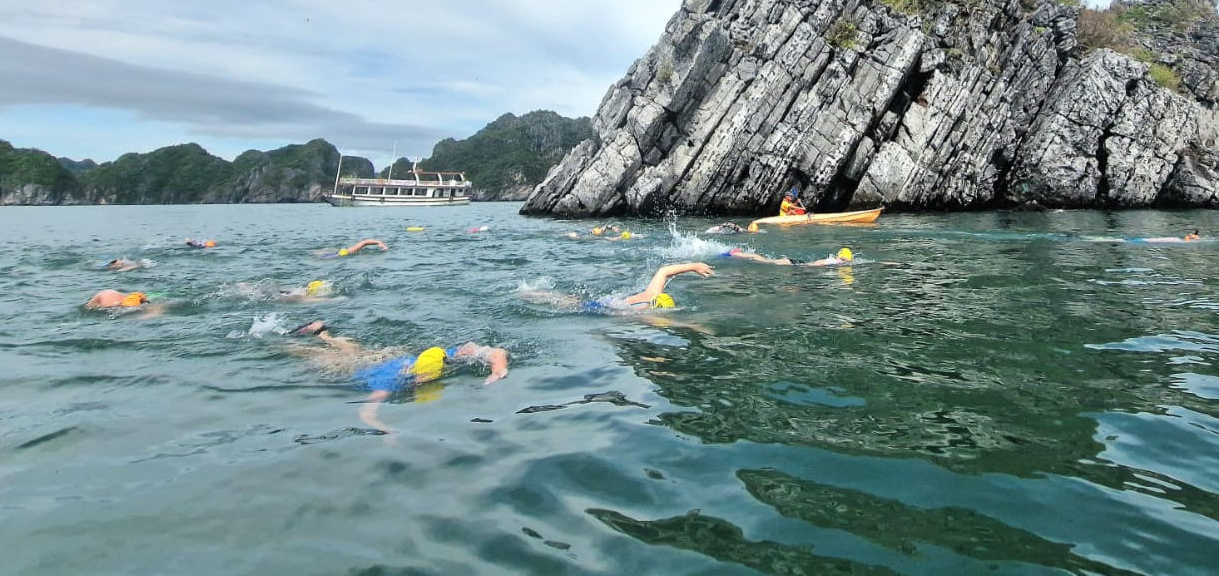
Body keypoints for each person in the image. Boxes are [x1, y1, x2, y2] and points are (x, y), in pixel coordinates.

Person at [291, 321, 508, 432]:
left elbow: (493, 351)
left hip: (386, 360)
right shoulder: (388, 383)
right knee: (319, 356)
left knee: (352, 350)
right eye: (421, 377)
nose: (421, 380)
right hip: (357, 369)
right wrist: (387, 430)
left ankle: (323, 333)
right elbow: (366, 413)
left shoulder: (447, 356)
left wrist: (498, 367)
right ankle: (298, 340)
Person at [520, 262, 714, 312]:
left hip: (608, 302)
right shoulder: (641, 312)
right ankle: (527, 293)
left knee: (568, 299)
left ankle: (530, 292)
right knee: (566, 303)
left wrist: (694, 266)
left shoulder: (652, 294)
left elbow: (664, 271)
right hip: (600, 307)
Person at [720, 247, 854, 267]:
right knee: (768, 262)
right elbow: (819, 263)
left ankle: (738, 253)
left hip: (798, 263)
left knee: (768, 261)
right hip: (796, 264)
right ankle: (736, 254)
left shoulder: (834, 260)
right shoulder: (832, 261)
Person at [84, 289, 167, 318]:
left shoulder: (106, 294)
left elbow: (88, 307)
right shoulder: (107, 294)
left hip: (113, 306)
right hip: (133, 306)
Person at [314, 238, 388, 259]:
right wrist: (379, 243)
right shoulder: (347, 252)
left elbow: (364, 242)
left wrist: (379, 243)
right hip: (340, 253)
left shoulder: (323, 257)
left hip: (332, 255)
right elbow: (364, 242)